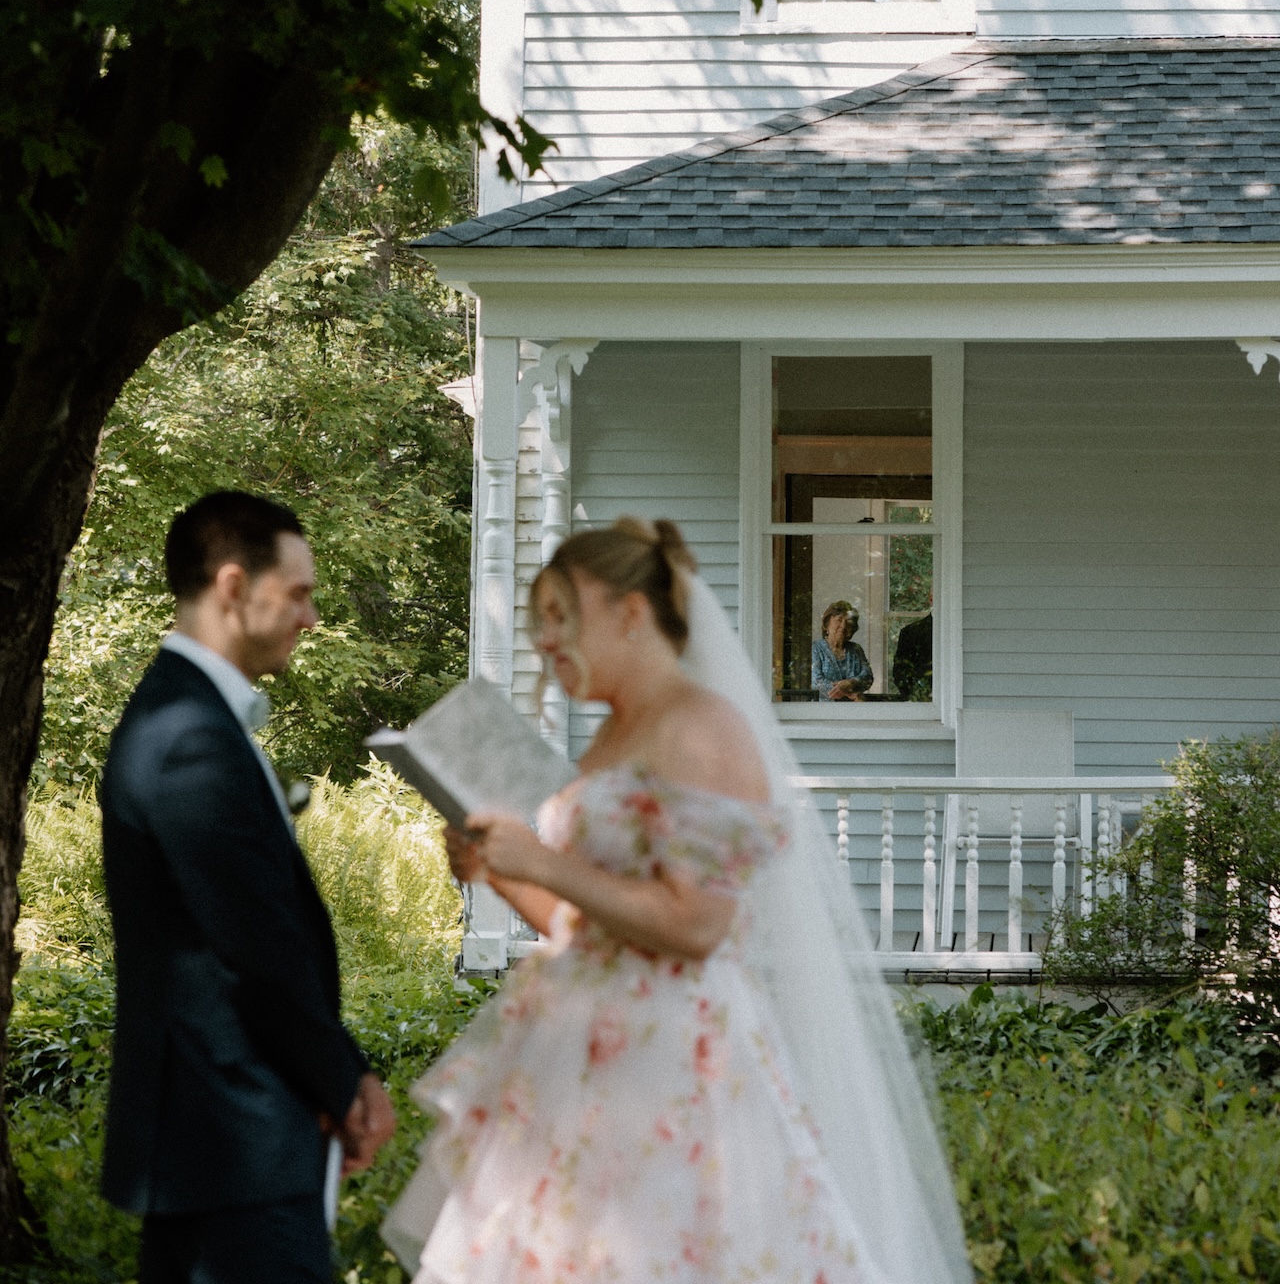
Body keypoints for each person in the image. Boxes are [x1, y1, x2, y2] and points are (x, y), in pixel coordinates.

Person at [384, 517, 970, 1284]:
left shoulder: (702, 727)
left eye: (563, 617)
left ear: (630, 612)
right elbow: (582, 926)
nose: (546, 643)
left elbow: (697, 925)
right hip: (576, 1051)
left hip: (669, 1062)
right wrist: (499, 869)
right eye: (538, 625)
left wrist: (547, 865)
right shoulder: (608, 738)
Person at [100, 490, 396, 1284]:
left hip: (220, 1142)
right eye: (297, 594)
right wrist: (345, 1077)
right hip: (231, 1136)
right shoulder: (190, 739)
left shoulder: (191, 720)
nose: (309, 618)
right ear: (233, 586)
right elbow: (257, 947)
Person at [812, 599, 874, 700]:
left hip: (853, 710)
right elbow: (816, 681)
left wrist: (850, 683)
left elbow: (867, 677)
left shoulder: (856, 649)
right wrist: (847, 692)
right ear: (827, 623)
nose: (843, 626)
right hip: (823, 710)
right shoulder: (815, 648)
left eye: (848, 622)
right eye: (839, 620)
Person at [892, 607, 933, 701]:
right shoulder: (911, 633)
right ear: (931, 598)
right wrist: (919, 695)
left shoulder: (959, 631)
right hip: (920, 705)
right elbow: (901, 673)